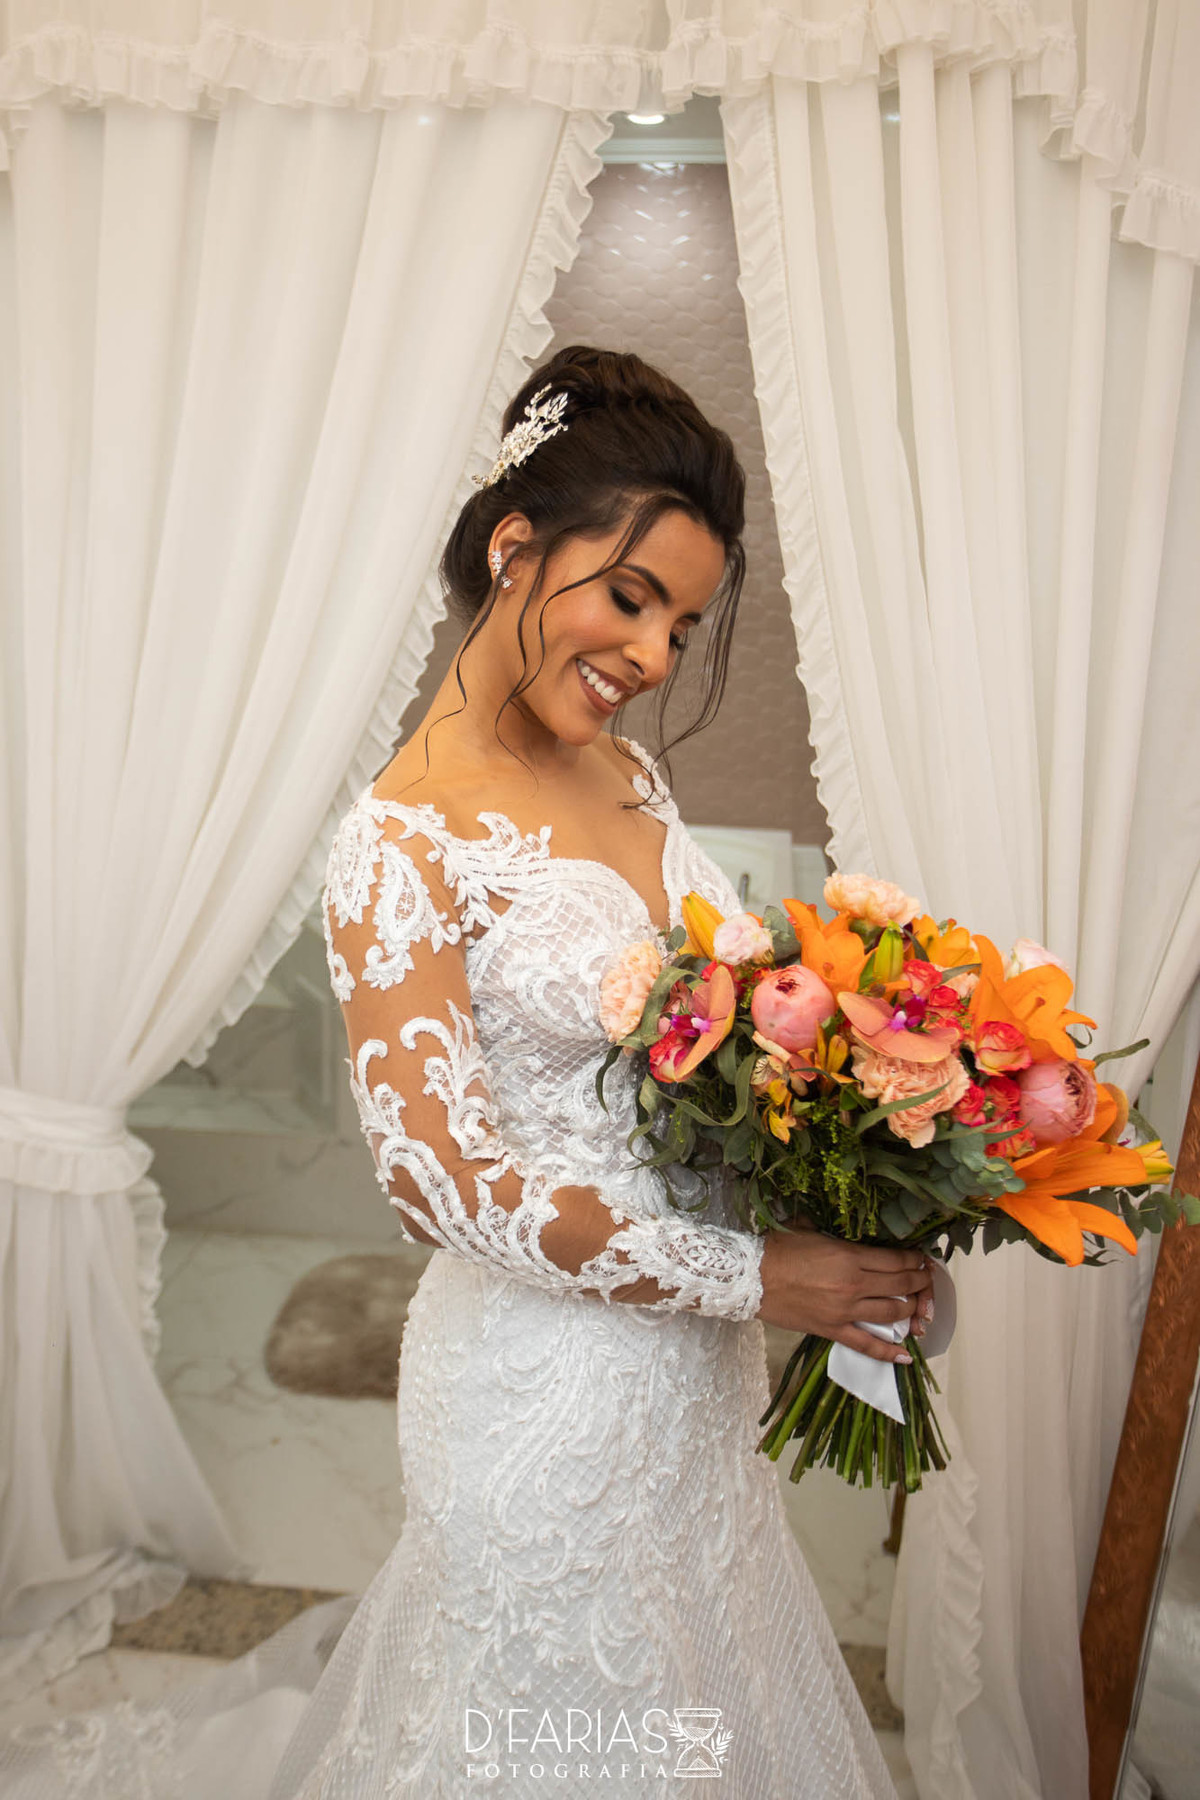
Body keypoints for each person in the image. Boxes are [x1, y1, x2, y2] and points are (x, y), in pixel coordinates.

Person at [0, 347, 930, 1800]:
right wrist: (761, 1277)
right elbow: (441, 1185)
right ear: (515, 549)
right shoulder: (404, 836)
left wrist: (856, 1162)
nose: (654, 656)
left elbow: (710, 1043)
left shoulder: (630, 775)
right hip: (540, 1393)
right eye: (633, 598)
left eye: (683, 625)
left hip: (692, 1383)